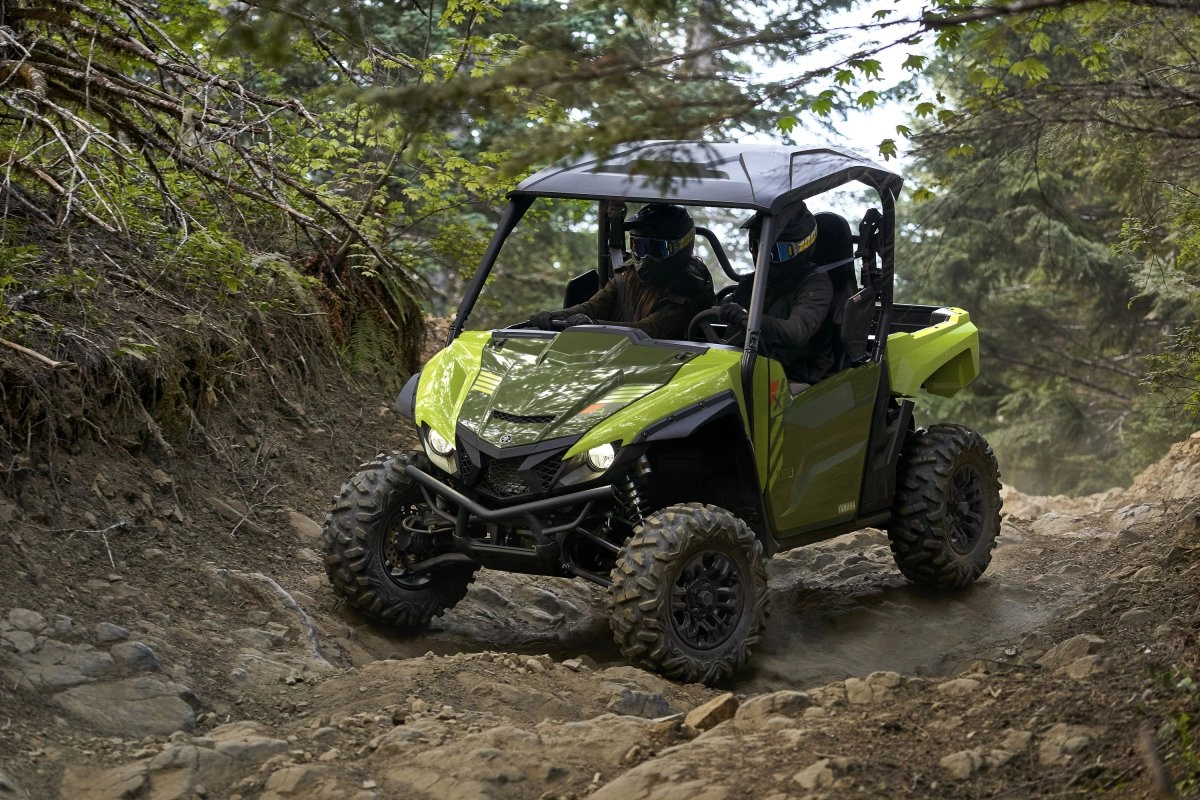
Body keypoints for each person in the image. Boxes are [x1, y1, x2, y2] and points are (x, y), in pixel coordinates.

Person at [528, 203, 714, 339]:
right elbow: (596, 305)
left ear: (682, 246)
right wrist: (554, 316)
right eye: (639, 247)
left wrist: (594, 326)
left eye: (657, 249)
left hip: (669, 367)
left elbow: (651, 329)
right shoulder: (627, 273)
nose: (645, 257)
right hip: (618, 360)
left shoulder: (690, 286)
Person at [718, 203, 835, 389]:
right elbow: (729, 336)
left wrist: (747, 318)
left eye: (776, 252)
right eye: (755, 247)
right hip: (753, 371)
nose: (761, 257)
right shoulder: (750, 283)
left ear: (803, 247)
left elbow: (796, 332)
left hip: (799, 381)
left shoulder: (815, 284)